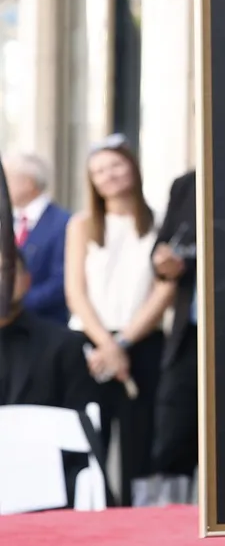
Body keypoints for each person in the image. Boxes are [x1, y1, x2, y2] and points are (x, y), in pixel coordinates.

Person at [64, 134, 174, 506]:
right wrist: (108, 346)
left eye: (114, 165)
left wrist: (124, 342)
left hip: (142, 342)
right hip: (89, 345)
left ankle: (133, 517)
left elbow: (165, 290)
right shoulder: (81, 225)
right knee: (89, 440)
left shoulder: (160, 221)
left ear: (132, 166)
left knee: (137, 442)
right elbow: (75, 292)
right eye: (98, 171)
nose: (107, 175)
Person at [149, 169, 198, 502]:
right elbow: (161, 248)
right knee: (173, 432)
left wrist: (188, 263)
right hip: (188, 333)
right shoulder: (185, 184)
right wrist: (163, 261)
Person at [0, 248, 97, 411]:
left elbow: (80, 423)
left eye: (7, 271)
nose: (2, 281)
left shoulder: (64, 346)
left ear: (27, 280)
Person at [4, 152, 71, 324]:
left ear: (28, 183)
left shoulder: (64, 224)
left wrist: (13, 304)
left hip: (45, 328)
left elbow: (62, 282)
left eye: (6, 179)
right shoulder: (7, 220)